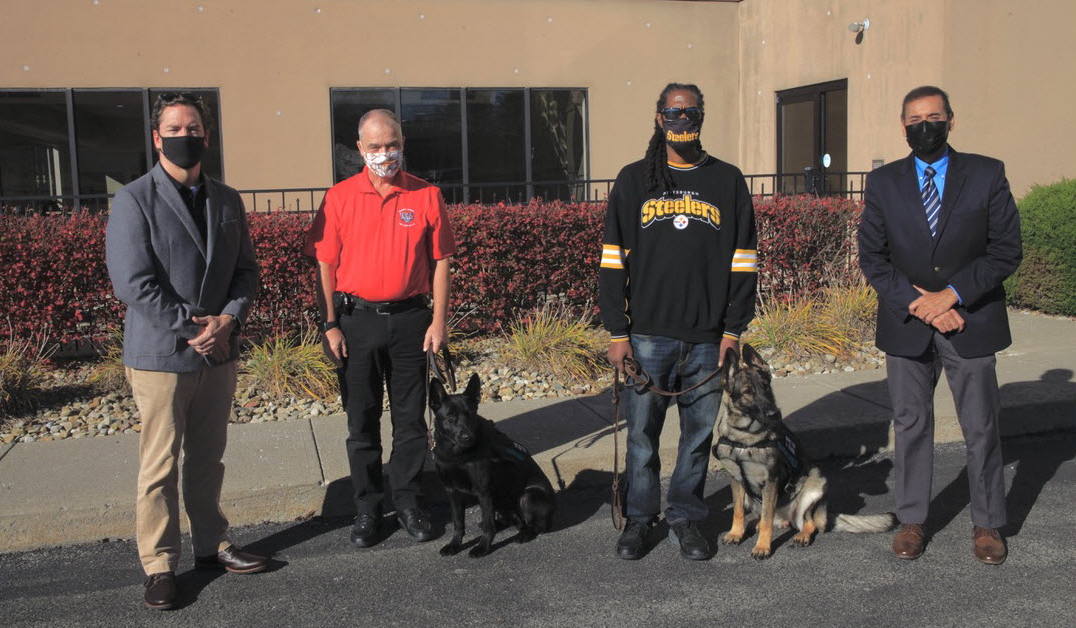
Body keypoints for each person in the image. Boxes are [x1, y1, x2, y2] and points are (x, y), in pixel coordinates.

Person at [105, 93, 265, 610]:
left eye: (194, 127)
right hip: (161, 354)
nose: (185, 135)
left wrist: (229, 319)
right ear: (156, 138)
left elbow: (245, 271)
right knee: (159, 466)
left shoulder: (227, 199)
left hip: (218, 351)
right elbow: (133, 282)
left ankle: (211, 545)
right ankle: (158, 565)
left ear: (207, 136)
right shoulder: (133, 199)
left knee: (208, 459)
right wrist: (193, 327)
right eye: (174, 127)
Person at [858, 85, 1022, 564]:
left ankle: (989, 524)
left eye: (933, 116)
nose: (923, 125)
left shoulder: (987, 173)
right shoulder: (884, 182)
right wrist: (921, 304)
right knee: (910, 424)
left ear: (952, 120)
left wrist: (951, 295)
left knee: (981, 428)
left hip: (970, 319)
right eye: (914, 119)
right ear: (903, 126)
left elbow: (1005, 249)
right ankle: (912, 519)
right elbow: (874, 256)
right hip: (906, 322)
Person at [599, 83, 758, 561]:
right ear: (658, 116)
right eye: (674, 111)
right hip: (647, 338)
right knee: (642, 440)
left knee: (697, 439)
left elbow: (745, 262)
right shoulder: (633, 181)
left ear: (702, 116)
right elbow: (611, 263)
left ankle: (686, 518)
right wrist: (616, 331)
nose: (683, 119)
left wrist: (733, 331)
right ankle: (641, 519)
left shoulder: (727, 181)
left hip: (709, 340)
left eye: (691, 112)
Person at [305, 109, 457, 548]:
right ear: (359, 149)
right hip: (356, 322)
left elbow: (442, 260)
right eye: (374, 147)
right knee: (362, 421)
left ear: (403, 142)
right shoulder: (339, 197)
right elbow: (325, 266)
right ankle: (368, 508)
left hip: (411, 320)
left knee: (410, 421)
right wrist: (329, 325)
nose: (384, 154)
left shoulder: (427, 195)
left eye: (391, 144)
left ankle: (409, 500)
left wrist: (439, 321)